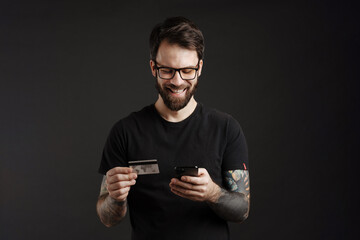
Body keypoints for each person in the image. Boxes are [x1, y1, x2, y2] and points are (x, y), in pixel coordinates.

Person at [96, 16, 250, 240]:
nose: (177, 81)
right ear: (153, 67)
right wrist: (115, 198)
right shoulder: (125, 131)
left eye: (187, 70)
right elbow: (107, 217)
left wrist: (212, 193)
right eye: (167, 70)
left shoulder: (226, 129)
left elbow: (242, 210)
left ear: (200, 67)